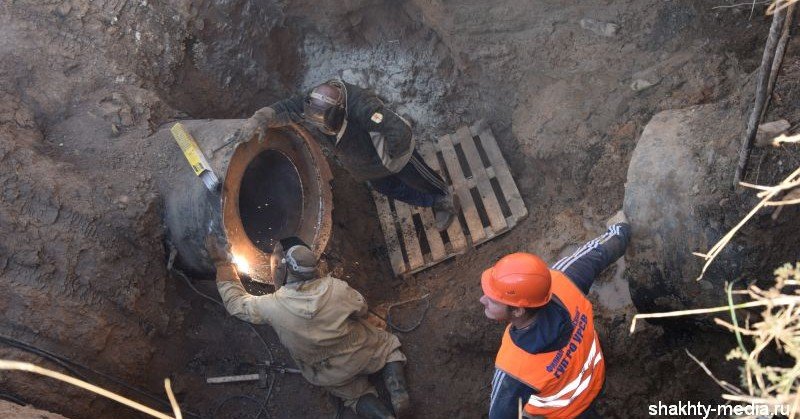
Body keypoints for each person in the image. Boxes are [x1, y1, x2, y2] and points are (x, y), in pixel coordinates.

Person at [206, 234, 410, 419]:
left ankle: (384, 417)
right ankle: (399, 393)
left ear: (282, 268)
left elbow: (235, 304)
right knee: (389, 348)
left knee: (355, 396)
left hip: (328, 372)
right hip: (361, 352)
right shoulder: (336, 288)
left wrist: (223, 263)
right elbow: (362, 309)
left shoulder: (271, 306)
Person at [235, 79, 457, 230]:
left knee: (417, 178)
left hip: (393, 159)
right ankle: (428, 202)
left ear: (339, 110)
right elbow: (288, 107)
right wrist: (262, 118)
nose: (322, 130)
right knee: (387, 188)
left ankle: (442, 198)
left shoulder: (365, 108)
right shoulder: (315, 102)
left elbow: (398, 129)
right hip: (367, 168)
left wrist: (394, 158)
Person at [480, 211, 631, 418]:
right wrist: (620, 229)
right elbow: (601, 250)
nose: (483, 301)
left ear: (517, 310)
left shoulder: (514, 367)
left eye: (493, 299)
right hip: (596, 378)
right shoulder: (563, 279)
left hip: (567, 413)